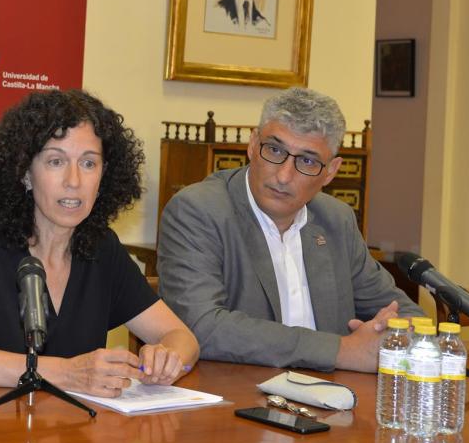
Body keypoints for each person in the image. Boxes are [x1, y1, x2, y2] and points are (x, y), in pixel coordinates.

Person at [0, 90, 199, 398]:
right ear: (25, 172)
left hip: (74, 436)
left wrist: (167, 359)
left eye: (88, 163)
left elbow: (183, 338)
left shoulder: (103, 249)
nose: (74, 180)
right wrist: (62, 373)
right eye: (55, 161)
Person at [157, 87, 424, 373]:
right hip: (236, 398)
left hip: (333, 400)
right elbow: (202, 327)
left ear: (331, 172)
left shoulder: (336, 220)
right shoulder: (199, 210)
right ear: (252, 145)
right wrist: (342, 351)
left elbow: (406, 314)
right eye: (274, 150)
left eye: (307, 161)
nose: (284, 176)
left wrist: (395, 332)